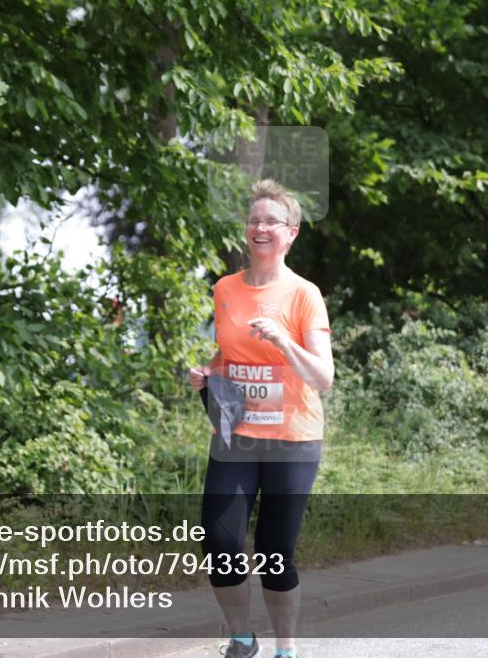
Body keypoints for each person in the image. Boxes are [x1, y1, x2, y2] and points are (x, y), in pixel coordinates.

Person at [188, 179, 334, 658]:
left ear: (291, 233)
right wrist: (207, 372)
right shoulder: (225, 289)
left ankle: (286, 649)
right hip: (236, 435)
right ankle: (241, 637)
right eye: (254, 220)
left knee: (275, 551)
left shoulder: (303, 294)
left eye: (272, 221)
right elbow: (228, 354)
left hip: (292, 439)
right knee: (218, 540)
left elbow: (323, 376)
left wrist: (283, 342)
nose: (260, 227)